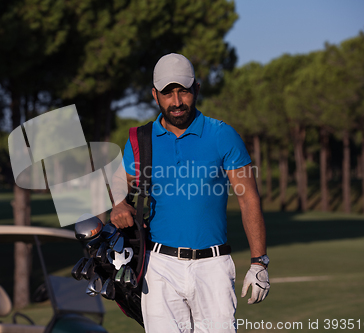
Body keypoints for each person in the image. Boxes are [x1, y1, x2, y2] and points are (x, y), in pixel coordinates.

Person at [110, 53, 269, 333]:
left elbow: (248, 198)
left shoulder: (222, 135)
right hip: (159, 267)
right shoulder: (140, 140)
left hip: (213, 266)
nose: (176, 102)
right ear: (154, 95)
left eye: (183, 91)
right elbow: (119, 187)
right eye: (167, 93)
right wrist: (119, 204)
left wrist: (259, 262)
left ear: (196, 89)